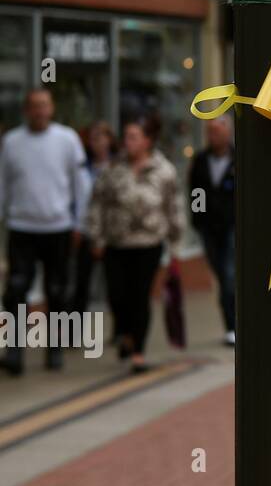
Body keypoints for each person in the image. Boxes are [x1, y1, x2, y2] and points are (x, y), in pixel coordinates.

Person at [86, 117, 183, 373]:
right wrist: (95, 236)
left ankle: (138, 350)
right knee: (117, 296)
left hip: (148, 243)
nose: (127, 141)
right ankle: (126, 332)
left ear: (147, 141)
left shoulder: (164, 170)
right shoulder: (113, 168)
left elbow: (174, 207)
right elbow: (98, 202)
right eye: (126, 136)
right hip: (116, 242)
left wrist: (175, 244)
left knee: (140, 297)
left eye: (133, 136)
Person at [0, 89, 87, 374]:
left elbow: (80, 184)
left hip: (58, 227)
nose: (39, 111)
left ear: (51, 109)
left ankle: (55, 348)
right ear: (26, 110)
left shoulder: (67, 139)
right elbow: (3, 184)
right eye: (34, 106)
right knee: (16, 289)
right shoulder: (12, 142)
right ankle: (14, 350)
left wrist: (79, 223)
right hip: (22, 227)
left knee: (56, 289)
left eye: (44, 105)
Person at [188, 115, 236, 345]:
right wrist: (198, 218)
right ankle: (232, 319)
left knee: (228, 275)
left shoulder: (239, 159)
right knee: (221, 274)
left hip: (232, 227)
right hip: (209, 228)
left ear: (228, 132)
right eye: (209, 132)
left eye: (217, 131)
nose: (212, 136)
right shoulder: (200, 160)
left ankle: (233, 326)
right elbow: (196, 192)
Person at [72, 121, 116, 316]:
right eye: (92, 139)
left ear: (109, 140)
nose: (96, 143)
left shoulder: (118, 166)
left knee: (115, 285)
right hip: (88, 231)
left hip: (113, 233)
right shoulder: (82, 166)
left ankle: (120, 330)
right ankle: (73, 331)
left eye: (100, 137)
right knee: (81, 283)